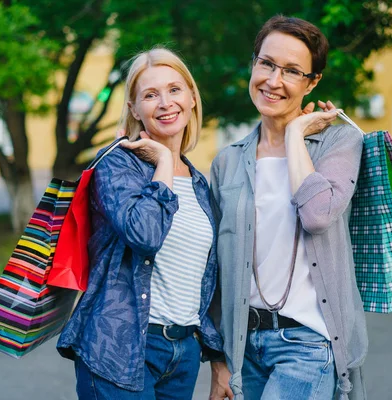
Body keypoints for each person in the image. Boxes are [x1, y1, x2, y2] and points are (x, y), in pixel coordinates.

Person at [208, 15, 368, 400]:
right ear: (254, 64)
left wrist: (296, 132)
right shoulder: (227, 161)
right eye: (266, 63)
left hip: (307, 345)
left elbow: (316, 217)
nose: (273, 80)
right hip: (242, 349)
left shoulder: (338, 143)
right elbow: (214, 268)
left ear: (312, 82)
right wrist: (218, 361)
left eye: (292, 71)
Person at [57, 47, 224, 399]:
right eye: (150, 95)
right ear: (134, 108)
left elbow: (203, 278)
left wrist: (215, 357)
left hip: (182, 356)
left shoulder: (198, 182)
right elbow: (146, 234)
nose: (165, 102)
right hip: (119, 349)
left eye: (175, 90)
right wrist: (164, 160)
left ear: (192, 97)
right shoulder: (117, 166)